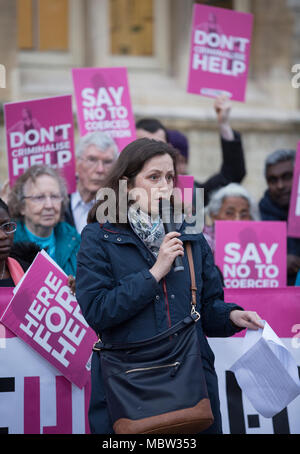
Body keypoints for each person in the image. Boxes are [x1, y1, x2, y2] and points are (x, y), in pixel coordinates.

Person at [75, 138, 263, 434]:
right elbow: (98, 311)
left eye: (169, 177)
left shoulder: (189, 232)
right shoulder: (98, 236)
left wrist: (231, 316)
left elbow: (205, 308)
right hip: (129, 388)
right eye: (153, 177)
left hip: (191, 387)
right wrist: (154, 273)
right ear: (126, 184)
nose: (165, 185)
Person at [136, 95, 246, 206]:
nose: (150, 154)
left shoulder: (191, 193)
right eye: (142, 147)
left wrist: (224, 125)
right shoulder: (120, 188)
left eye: (158, 148)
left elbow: (231, 175)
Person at [8, 165, 80, 276]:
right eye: (39, 198)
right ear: (21, 206)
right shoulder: (8, 243)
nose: (49, 205)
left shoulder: (74, 239)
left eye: (55, 196)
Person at [258, 149, 300, 285]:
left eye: (287, 177)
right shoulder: (256, 215)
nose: (280, 185)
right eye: (273, 180)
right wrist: (277, 263)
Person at [64, 131, 119, 233]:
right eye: (92, 160)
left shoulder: (119, 209)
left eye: (107, 162)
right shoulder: (58, 200)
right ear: (77, 162)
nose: (100, 169)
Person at [204, 183, 259, 253]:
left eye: (244, 214)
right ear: (214, 216)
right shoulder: (202, 243)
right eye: (229, 213)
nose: (237, 220)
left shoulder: (260, 244)